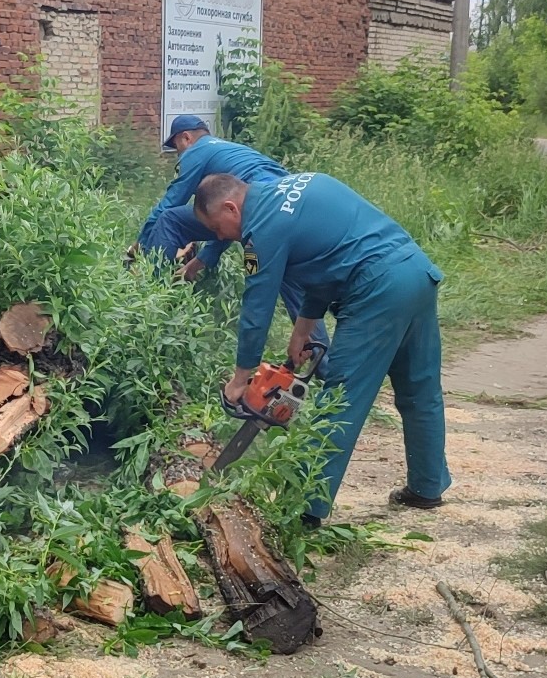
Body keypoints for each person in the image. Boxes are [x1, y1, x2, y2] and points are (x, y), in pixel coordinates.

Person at [192, 170, 452, 525]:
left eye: (217, 228)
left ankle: (301, 509)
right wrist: (303, 329)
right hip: (416, 272)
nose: (220, 236)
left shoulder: (262, 229)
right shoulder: (297, 186)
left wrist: (240, 379)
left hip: (377, 288)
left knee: (340, 399)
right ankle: (427, 486)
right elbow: (327, 261)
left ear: (230, 208)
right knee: (420, 388)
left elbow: (257, 308)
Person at [135, 115, 324, 347]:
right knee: (288, 273)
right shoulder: (231, 150)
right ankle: (323, 360)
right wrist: (198, 263)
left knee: (170, 220)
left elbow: (173, 201)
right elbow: (227, 222)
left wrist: (140, 243)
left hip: (258, 210)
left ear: (186, 137)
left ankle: (152, 302)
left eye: (177, 148)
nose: (179, 154)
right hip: (287, 204)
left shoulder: (196, 152)